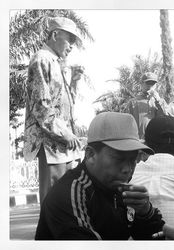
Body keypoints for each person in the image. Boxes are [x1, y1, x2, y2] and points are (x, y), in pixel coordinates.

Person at [35, 112, 165, 240]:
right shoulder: (70, 193)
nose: (127, 169)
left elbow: (157, 239)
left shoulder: (117, 191)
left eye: (133, 160)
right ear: (90, 155)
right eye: (119, 159)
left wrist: (145, 212)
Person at [23, 17, 84, 203]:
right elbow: (41, 106)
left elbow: (64, 104)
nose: (72, 46)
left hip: (63, 144)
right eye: (70, 39)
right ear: (55, 34)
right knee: (53, 202)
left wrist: (73, 82)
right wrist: (64, 133)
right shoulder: (41, 59)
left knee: (65, 200)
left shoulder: (56, 62)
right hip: (52, 144)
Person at [126, 72, 167, 140]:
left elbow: (167, 119)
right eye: (148, 83)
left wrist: (158, 100)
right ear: (141, 84)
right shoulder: (133, 102)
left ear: (156, 85)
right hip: (137, 141)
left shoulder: (161, 102)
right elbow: (127, 123)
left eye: (152, 83)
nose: (150, 86)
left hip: (156, 141)